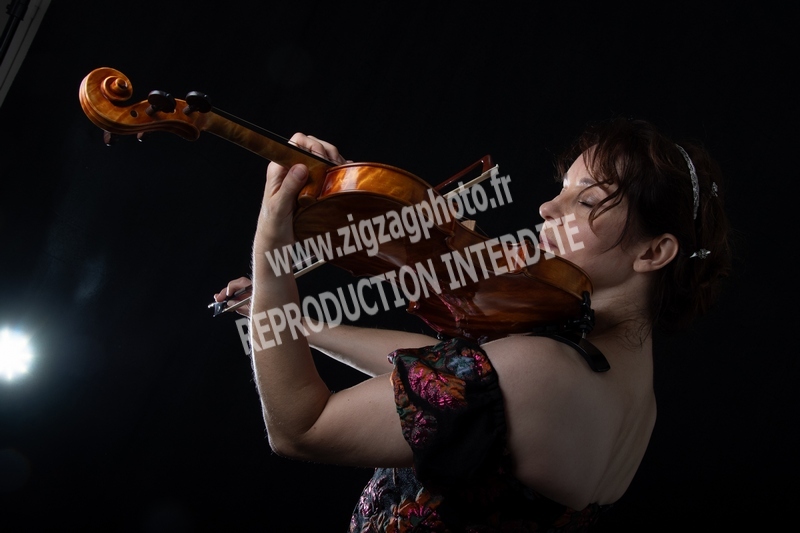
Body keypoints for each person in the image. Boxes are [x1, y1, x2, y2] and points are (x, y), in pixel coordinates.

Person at [213, 118, 730, 531]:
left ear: (654, 252)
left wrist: (271, 245)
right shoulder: (633, 397)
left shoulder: (538, 369)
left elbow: (301, 427)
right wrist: (301, 324)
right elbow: (453, 369)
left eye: (589, 200)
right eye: (563, 190)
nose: (548, 208)